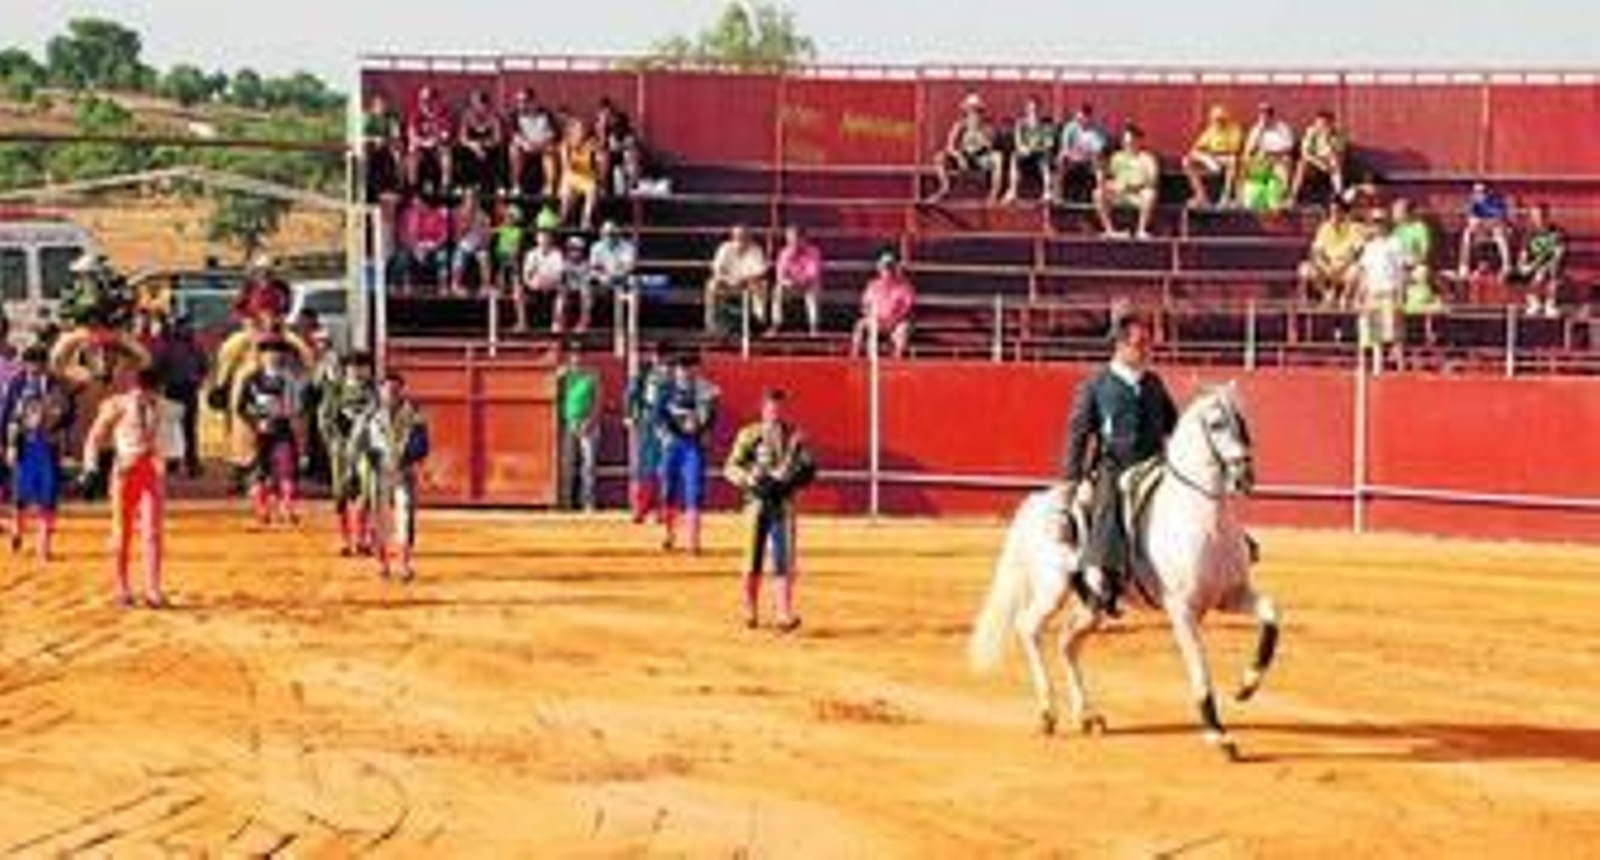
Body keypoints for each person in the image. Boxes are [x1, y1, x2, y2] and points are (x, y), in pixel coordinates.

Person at [1061, 311, 1178, 618]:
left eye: (1148, 344)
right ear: (1121, 346)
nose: (1146, 350)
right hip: (1116, 465)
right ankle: (1102, 578)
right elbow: (1078, 433)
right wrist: (1071, 479)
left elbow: (1172, 425)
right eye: (1140, 344)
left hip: (1154, 464)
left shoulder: (1153, 383)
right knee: (1109, 503)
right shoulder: (1097, 385)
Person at [724, 388, 816, 632]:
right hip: (756, 503)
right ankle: (750, 610)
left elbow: (808, 468)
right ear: (762, 408)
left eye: (778, 407)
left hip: (783, 504)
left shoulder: (794, 437)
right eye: (770, 407)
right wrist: (750, 480)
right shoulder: (749, 435)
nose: (774, 411)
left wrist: (791, 479)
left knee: (783, 559)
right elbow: (730, 467)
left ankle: (783, 613)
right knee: (752, 558)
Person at [81, 365, 172, 608]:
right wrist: (90, 468)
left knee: (152, 531)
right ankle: (122, 587)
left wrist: (165, 458)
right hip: (125, 470)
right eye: (146, 391)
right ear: (137, 387)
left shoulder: (162, 407)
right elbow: (94, 438)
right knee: (122, 530)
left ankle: (152, 589)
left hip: (150, 471)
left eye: (153, 392)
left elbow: (167, 439)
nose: (150, 396)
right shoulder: (117, 405)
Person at [350, 370, 430, 582]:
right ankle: (383, 565)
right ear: (380, 391)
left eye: (395, 390)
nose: (391, 394)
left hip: (403, 471)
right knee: (380, 518)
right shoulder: (369, 414)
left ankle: (403, 564)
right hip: (379, 470)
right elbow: (357, 443)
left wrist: (412, 458)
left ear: (401, 390)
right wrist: (358, 467)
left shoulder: (413, 413)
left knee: (405, 517)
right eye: (387, 390)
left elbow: (423, 443)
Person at [4, 346, 71, 561]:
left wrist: (57, 422)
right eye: (31, 364)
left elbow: (70, 414)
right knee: (20, 495)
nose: (34, 368)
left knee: (48, 496)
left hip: (48, 444)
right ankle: (17, 529)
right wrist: (8, 444)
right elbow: (6, 413)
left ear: (45, 364)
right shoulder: (17, 383)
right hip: (24, 443)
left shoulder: (56, 385)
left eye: (38, 364)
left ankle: (44, 547)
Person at [236, 339, 304, 525]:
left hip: (282, 429)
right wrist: (255, 421)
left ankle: (287, 509)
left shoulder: (289, 379)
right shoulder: (251, 379)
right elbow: (241, 407)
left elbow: (295, 408)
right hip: (259, 432)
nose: (272, 357)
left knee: (286, 470)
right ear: (261, 356)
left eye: (276, 353)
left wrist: (288, 418)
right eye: (268, 353)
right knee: (259, 472)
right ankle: (261, 510)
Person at [656, 354, 718, 554]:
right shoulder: (665, 389)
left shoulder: (705, 390)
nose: (684, 372)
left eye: (688, 368)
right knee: (668, 490)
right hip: (672, 444)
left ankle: (693, 541)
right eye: (681, 368)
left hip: (693, 445)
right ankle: (670, 536)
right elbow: (658, 416)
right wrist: (664, 435)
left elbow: (710, 417)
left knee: (694, 491)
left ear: (695, 370)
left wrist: (703, 430)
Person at [318, 350, 378, 556]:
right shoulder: (335, 391)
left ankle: (361, 538)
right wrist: (334, 442)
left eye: (362, 366)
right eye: (353, 367)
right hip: (342, 449)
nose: (358, 371)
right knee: (341, 493)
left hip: (366, 449)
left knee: (367, 492)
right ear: (346, 370)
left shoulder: (376, 392)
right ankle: (344, 538)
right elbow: (325, 420)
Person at [151, 315, 208, 477]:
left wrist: (198, 380)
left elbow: (205, 366)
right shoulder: (168, 346)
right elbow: (158, 367)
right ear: (178, 328)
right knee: (172, 427)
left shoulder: (195, 346)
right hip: (173, 389)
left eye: (190, 327)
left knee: (188, 428)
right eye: (185, 327)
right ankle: (173, 463)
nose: (189, 330)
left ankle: (191, 464)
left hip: (188, 390)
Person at [1356, 211, 1408, 370]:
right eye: (1374, 222)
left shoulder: (1395, 243)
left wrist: (1401, 292)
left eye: (1380, 222)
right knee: (1375, 335)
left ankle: (1400, 367)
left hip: (1390, 293)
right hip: (1373, 294)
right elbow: (1364, 272)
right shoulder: (1369, 247)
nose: (1377, 225)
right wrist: (1361, 294)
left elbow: (1401, 270)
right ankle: (1377, 368)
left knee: (1395, 334)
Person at [930, 93, 1003, 203]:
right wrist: (958, 156)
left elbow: (991, 147)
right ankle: (945, 188)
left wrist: (981, 136)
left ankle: (993, 194)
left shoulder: (986, 127)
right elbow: (949, 146)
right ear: (966, 111)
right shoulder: (959, 125)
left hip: (979, 158)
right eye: (971, 110)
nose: (973, 113)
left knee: (998, 157)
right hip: (963, 157)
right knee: (939, 157)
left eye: (976, 110)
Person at [624, 342, 668, 524]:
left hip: (665, 424)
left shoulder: (672, 375)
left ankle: (659, 510)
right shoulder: (643, 373)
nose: (657, 358)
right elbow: (630, 394)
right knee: (642, 467)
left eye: (661, 355)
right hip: (646, 421)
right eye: (655, 355)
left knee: (663, 468)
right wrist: (628, 415)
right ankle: (639, 510)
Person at [1094, 125, 1161, 239]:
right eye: (1125, 141)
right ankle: (1110, 231)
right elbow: (1109, 177)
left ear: (1139, 141)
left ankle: (1141, 230)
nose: (1127, 144)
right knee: (1097, 193)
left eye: (1130, 141)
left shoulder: (1147, 158)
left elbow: (1152, 181)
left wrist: (1131, 187)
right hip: (1119, 194)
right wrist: (1102, 178)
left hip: (1137, 195)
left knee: (1150, 194)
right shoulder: (1117, 157)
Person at [1297, 200, 1366, 307]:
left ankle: (1344, 298)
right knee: (1304, 269)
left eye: (1336, 211)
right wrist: (1325, 266)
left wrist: (1342, 266)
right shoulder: (1324, 228)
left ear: (1343, 213)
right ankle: (1326, 295)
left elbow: (1356, 253)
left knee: (1355, 271)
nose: (1333, 215)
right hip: (1327, 267)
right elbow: (1316, 252)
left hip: (1345, 267)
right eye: (1331, 212)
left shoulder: (1354, 228)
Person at [704, 225, 769, 335]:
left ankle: (759, 321)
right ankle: (711, 322)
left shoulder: (756, 249)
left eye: (744, 235)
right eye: (738, 235)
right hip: (728, 281)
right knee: (712, 284)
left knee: (762, 285)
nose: (741, 238)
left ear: (749, 236)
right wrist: (729, 279)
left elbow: (761, 271)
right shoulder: (724, 248)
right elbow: (716, 269)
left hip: (748, 281)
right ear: (733, 236)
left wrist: (745, 279)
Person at [850, 251, 916, 359]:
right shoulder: (872, 285)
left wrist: (893, 321)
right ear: (879, 269)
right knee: (860, 325)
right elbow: (865, 306)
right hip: (876, 321)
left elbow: (906, 310)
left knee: (903, 329)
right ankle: (854, 358)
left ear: (895, 268)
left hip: (895, 323)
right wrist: (871, 317)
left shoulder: (905, 287)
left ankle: (895, 361)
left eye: (890, 267)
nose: (887, 270)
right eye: (885, 267)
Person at [557, 351, 599, 512]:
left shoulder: (591, 376)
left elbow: (597, 400)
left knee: (588, 465)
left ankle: (587, 502)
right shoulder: (564, 376)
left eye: (579, 356)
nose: (577, 359)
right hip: (569, 423)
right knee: (567, 464)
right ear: (570, 359)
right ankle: (565, 502)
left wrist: (590, 420)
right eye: (574, 356)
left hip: (588, 424)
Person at [1512, 203, 1566, 317]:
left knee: (1546, 272)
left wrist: (1541, 266)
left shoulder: (1557, 232)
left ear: (1547, 215)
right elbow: (1523, 254)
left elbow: (1558, 254)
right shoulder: (1529, 233)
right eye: (1535, 216)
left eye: (1541, 215)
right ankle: (1534, 302)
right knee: (1520, 273)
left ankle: (1550, 304)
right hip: (1534, 265)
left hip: (1551, 265)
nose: (1539, 218)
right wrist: (1522, 265)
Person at [1239, 102, 1296, 210]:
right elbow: (1249, 150)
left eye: (1267, 114)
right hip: (1261, 159)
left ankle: (1284, 197)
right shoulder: (1256, 129)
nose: (1264, 117)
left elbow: (1289, 147)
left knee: (1286, 161)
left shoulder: (1282, 128)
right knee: (1245, 161)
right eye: (1262, 114)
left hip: (1279, 157)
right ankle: (1242, 197)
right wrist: (1260, 131)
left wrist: (1273, 153)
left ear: (1272, 116)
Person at [1182, 105, 1243, 207]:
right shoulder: (1211, 129)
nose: (1217, 121)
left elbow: (1234, 149)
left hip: (1226, 157)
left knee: (1233, 160)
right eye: (1215, 118)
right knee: (1186, 161)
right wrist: (1207, 159)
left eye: (1220, 118)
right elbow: (1196, 148)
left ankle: (1225, 198)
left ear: (1226, 117)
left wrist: (1214, 157)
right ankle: (1201, 196)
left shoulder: (1234, 129)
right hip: (1211, 159)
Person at [771, 225, 824, 336]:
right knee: (777, 291)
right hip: (790, 287)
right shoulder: (784, 253)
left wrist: (799, 281)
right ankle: (776, 325)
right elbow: (780, 275)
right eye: (789, 239)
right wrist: (788, 282)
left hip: (807, 285)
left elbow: (813, 274)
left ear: (803, 239)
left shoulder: (813, 252)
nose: (792, 242)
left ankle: (814, 327)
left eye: (794, 238)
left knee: (812, 291)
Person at [1391, 198, 1442, 314]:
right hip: (1398, 267)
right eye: (1393, 212)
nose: (1394, 215)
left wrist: (1410, 262)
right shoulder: (1396, 231)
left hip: (1414, 266)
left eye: (1397, 212)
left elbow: (1424, 254)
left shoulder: (1420, 228)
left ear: (1407, 213)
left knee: (1422, 272)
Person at [1004, 96, 1057, 204]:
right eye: (1030, 108)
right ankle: (1012, 190)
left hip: (1039, 154)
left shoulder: (1045, 125)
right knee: (1014, 157)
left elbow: (1048, 144)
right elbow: (1017, 141)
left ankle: (1047, 192)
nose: (1033, 111)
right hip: (1025, 154)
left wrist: (1037, 148)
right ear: (1026, 109)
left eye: (1035, 109)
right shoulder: (1021, 124)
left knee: (1045, 158)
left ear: (1040, 110)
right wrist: (1024, 148)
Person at [507, 88, 559, 197]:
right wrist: (525, 144)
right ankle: (516, 185)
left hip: (542, 146)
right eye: (518, 102)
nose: (521, 105)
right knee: (513, 149)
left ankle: (548, 186)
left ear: (533, 101)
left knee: (551, 150)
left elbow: (553, 134)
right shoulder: (515, 115)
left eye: (524, 101)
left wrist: (541, 145)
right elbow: (515, 135)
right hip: (526, 148)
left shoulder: (546, 114)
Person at [1055, 102, 1108, 203]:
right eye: (1078, 117)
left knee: (1099, 163)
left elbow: (1098, 151)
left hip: (1089, 162)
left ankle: (1101, 194)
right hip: (1072, 159)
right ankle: (1057, 195)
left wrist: (1085, 156)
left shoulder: (1097, 131)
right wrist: (1072, 155)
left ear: (1089, 117)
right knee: (1060, 158)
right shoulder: (1070, 128)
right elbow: (1065, 147)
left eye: (1083, 118)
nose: (1080, 120)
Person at [455, 89, 504, 198]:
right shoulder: (467, 116)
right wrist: (474, 146)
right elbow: (462, 137)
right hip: (471, 148)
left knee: (498, 152)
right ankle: (462, 184)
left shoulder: (494, 117)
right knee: (460, 150)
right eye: (473, 103)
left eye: (478, 103)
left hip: (489, 147)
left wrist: (484, 145)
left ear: (485, 104)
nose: (476, 107)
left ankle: (497, 184)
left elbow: (498, 138)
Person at [1458, 182, 1513, 279]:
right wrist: (1483, 224)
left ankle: (1506, 266)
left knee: (1499, 233)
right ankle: (1464, 266)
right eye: (1476, 192)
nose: (1478, 194)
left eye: (1481, 191)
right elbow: (1471, 222)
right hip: (1481, 231)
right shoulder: (1473, 203)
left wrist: (1485, 222)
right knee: (1467, 234)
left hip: (1496, 231)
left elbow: (1500, 220)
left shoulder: (1496, 202)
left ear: (1487, 192)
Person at [406, 85, 454, 193]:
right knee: (412, 155)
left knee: (446, 154)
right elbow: (411, 135)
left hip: (437, 145)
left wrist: (435, 141)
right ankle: (413, 189)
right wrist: (424, 143)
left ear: (435, 100)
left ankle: (445, 187)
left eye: (429, 99)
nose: (425, 103)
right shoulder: (415, 114)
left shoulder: (443, 114)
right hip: (421, 146)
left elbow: (446, 134)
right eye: (423, 100)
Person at [1292, 109, 1346, 203]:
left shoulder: (1338, 135)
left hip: (1330, 164)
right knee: (1301, 165)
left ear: (1331, 123)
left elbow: (1339, 155)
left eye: (1324, 124)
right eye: (1318, 123)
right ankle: (1293, 196)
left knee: (1335, 162)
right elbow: (1305, 153)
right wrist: (1319, 163)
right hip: (1314, 163)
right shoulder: (1311, 132)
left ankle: (1339, 195)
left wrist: (1327, 139)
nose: (1321, 126)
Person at [557, 117, 601, 230]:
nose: (580, 132)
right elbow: (566, 166)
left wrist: (597, 157)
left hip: (587, 177)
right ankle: (563, 219)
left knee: (592, 189)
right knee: (567, 195)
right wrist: (573, 149)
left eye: (582, 129)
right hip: (571, 177)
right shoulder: (565, 145)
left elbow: (598, 159)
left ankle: (585, 220)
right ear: (571, 131)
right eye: (577, 129)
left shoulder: (591, 143)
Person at [518, 229, 564, 333]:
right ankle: (523, 322)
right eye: (542, 238)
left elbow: (558, 275)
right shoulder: (531, 254)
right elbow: (526, 275)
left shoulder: (557, 254)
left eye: (547, 238)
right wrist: (532, 283)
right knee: (519, 290)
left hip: (551, 285)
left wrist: (549, 283)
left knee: (562, 290)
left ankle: (556, 323)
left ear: (551, 240)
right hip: (534, 285)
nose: (544, 240)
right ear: (537, 240)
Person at [447, 190, 492, 297]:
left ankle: (485, 286)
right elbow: (456, 235)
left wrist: (483, 243)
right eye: (468, 198)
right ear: (464, 200)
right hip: (464, 244)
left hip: (479, 245)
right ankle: (455, 285)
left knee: (484, 257)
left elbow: (487, 234)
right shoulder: (458, 212)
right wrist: (467, 224)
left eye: (473, 198)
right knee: (459, 256)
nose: (471, 201)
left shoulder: (483, 215)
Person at [362, 91, 405, 201]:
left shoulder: (392, 118)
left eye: (384, 104)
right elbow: (361, 135)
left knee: (397, 154)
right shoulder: (368, 117)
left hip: (388, 145)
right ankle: (367, 188)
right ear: (374, 106)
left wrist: (387, 140)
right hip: (371, 146)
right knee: (366, 154)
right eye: (379, 105)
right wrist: (374, 139)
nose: (382, 107)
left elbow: (396, 135)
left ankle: (397, 187)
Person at [588, 219, 639, 302]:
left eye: (611, 233)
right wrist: (601, 277)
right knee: (588, 281)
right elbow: (593, 268)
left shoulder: (627, 246)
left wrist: (616, 276)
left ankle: (631, 313)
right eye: (605, 233)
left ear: (617, 233)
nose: (608, 236)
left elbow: (629, 267)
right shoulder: (596, 247)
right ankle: (587, 313)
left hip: (622, 279)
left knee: (633, 281)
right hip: (603, 280)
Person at [554, 236, 594, 334]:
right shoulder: (563, 263)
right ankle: (558, 324)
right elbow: (560, 279)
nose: (574, 252)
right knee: (561, 296)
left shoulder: (586, 264)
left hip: (581, 290)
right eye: (572, 249)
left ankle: (583, 323)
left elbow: (586, 281)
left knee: (586, 293)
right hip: (567, 290)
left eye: (577, 249)